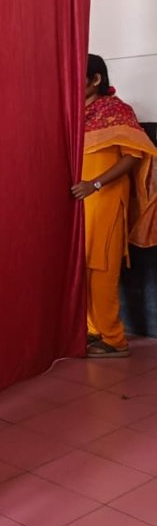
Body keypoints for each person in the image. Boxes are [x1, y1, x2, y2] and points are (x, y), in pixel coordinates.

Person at [72, 54, 157, 357]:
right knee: (82, 267)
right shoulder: (76, 114)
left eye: (79, 77)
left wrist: (94, 184)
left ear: (96, 79)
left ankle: (115, 339)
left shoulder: (117, 111)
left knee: (102, 268)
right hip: (79, 202)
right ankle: (94, 329)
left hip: (105, 199)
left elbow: (134, 156)